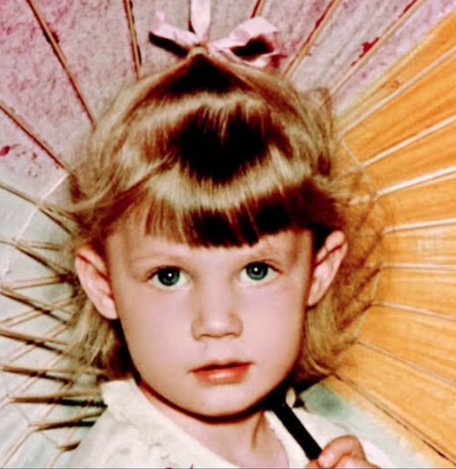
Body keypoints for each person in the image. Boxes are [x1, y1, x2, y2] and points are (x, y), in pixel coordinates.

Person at [66, 48, 389, 468]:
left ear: (318, 271)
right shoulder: (122, 461)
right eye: (168, 276)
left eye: (257, 270)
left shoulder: (328, 444)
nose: (217, 323)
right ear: (103, 284)